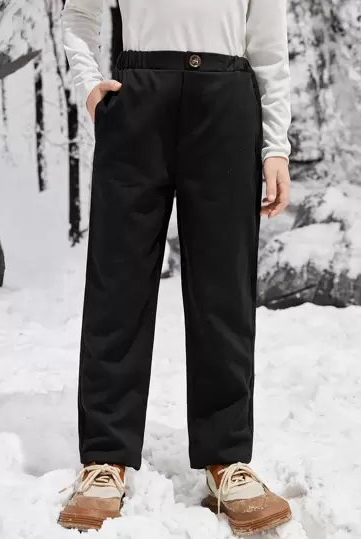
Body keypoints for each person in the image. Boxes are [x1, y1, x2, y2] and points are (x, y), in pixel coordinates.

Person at [59, 0, 292, 535]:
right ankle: (104, 460)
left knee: (224, 291)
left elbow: (268, 44)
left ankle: (227, 461)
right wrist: (89, 85)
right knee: (117, 284)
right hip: (137, 96)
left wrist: (275, 146)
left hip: (227, 99)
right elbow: (79, 14)